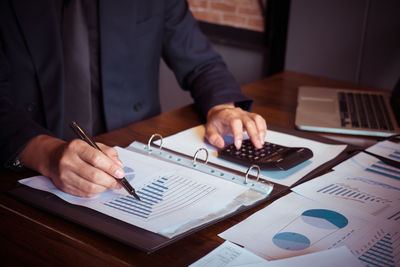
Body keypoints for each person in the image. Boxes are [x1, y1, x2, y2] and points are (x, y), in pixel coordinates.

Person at [0, 0, 266, 197]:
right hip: (28, 169)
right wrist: (47, 155)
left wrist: (222, 107)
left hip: (137, 156)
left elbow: (201, 63)